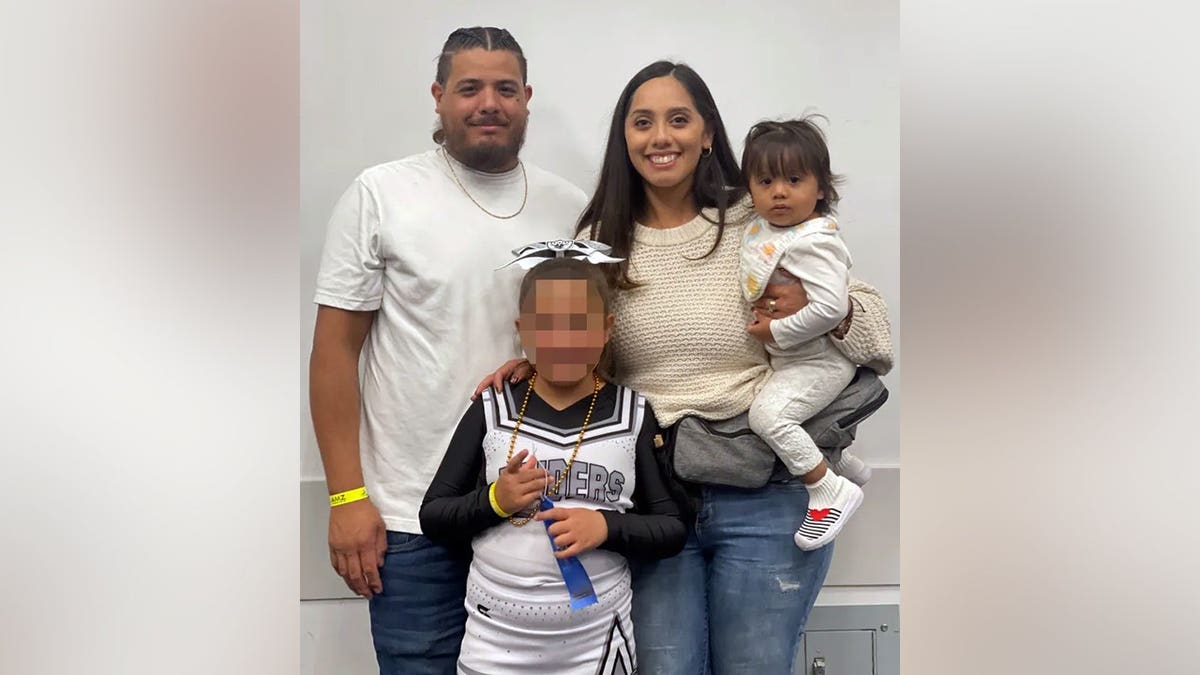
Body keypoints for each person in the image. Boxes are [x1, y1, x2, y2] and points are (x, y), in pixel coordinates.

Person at [479, 61, 894, 673]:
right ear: (625, 137)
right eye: (642, 122)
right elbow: (594, 353)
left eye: (678, 119)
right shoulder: (599, 238)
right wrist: (538, 362)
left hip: (766, 486)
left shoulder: (760, 217)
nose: (660, 137)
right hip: (651, 496)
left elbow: (876, 333)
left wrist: (827, 310)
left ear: (707, 134)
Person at [308, 26, 587, 674]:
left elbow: (592, 344)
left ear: (526, 98)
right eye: (469, 88)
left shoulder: (570, 208)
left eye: (505, 89)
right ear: (438, 97)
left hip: (535, 511)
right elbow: (334, 352)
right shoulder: (381, 194)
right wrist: (346, 499)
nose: (489, 103)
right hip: (411, 518)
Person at [421, 253, 687, 675]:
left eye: (579, 324)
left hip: (596, 642)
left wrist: (607, 526)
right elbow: (434, 516)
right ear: (522, 330)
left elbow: (671, 528)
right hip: (496, 640)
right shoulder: (492, 408)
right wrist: (495, 501)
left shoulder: (633, 413)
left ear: (607, 328)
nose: (563, 339)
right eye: (545, 324)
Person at [740, 117, 870, 551]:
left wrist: (776, 331)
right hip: (791, 362)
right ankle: (843, 463)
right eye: (766, 181)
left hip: (820, 361)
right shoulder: (764, 228)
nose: (779, 191)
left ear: (820, 189)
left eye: (794, 180)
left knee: (768, 417)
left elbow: (832, 308)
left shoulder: (814, 241)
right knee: (771, 406)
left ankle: (828, 488)